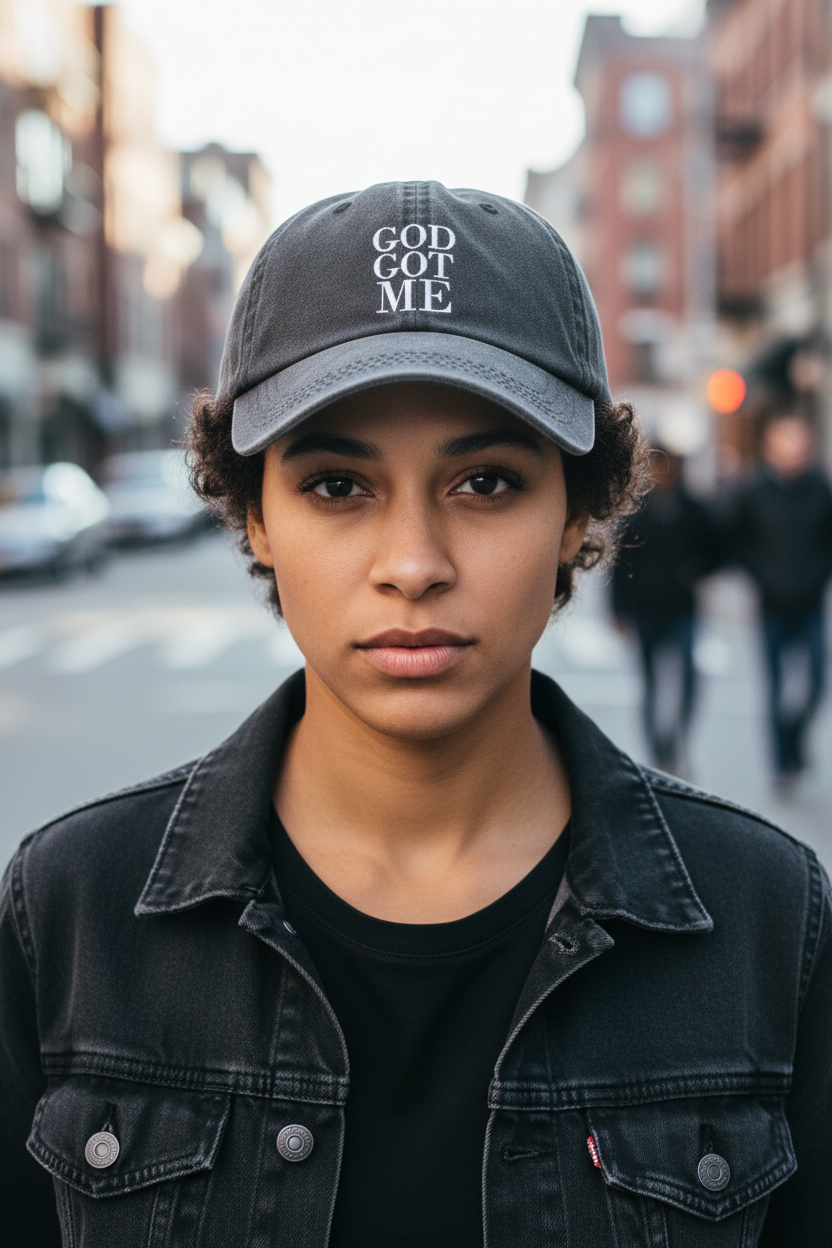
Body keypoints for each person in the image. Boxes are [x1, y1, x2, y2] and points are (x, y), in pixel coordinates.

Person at [1, 182, 830, 1247]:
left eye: (484, 481)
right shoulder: (73, 915)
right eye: (338, 486)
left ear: (577, 512)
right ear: (253, 515)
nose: (412, 565)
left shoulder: (764, 921)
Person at [732, 413, 832, 784]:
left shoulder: (820, 489)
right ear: (771, 451)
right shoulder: (755, 492)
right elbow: (738, 540)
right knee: (773, 687)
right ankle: (781, 763)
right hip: (771, 603)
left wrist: (818, 575)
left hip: (810, 602)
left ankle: (796, 738)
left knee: (817, 681)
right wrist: (760, 576)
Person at [611, 447, 715, 774]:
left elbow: (717, 549)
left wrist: (699, 571)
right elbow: (619, 564)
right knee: (651, 684)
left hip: (682, 609)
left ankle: (676, 741)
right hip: (645, 610)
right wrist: (619, 611)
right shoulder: (636, 514)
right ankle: (658, 749)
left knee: (688, 679)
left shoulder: (695, 510)